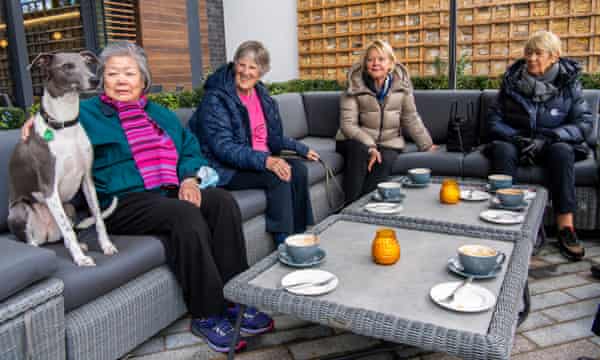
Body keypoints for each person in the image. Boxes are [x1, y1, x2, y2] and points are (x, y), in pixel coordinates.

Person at [21, 41, 272, 353]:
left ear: (143, 79)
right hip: (119, 201)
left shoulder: (161, 115)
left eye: (129, 73)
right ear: (102, 79)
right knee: (184, 215)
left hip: (165, 191)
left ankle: (236, 299)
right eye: (112, 74)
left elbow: (189, 150)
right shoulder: (84, 113)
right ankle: (207, 314)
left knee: (221, 201)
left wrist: (189, 179)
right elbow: (52, 120)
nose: (121, 80)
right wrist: (35, 123)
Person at [188, 40, 320, 245]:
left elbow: (272, 138)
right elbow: (223, 147)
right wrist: (266, 161)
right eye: (241, 65)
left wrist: (301, 148)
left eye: (253, 67)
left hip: (254, 160)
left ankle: (300, 234)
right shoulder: (215, 99)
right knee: (278, 176)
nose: (246, 72)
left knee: (299, 170)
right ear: (234, 65)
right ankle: (283, 241)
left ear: (262, 71)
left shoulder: (262, 95)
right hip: (226, 167)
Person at [486, 31, 592, 261]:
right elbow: (494, 120)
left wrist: (551, 137)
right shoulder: (511, 83)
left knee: (562, 151)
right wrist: (515, 137)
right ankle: (504, 221)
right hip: (519, 142)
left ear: (554, 57)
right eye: (528, 53)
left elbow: (584, 124)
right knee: (503, 149)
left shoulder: (569, 86)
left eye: (538, 53)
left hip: (553, 143)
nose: (531, 58)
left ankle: (566, 228)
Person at [336, 39, 437, 204]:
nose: (375, 63)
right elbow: (348, 125)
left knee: (385, 161)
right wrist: (370, 146)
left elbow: (410, 117)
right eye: (370, 59)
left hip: (388, 142)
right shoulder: (353, 86)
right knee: (359, 151)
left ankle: (365, 207)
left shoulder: (402, 86)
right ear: (365, 64)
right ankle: (349, 207)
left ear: (390, 63)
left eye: (381, 59)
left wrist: (426, 144)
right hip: (355, 140)